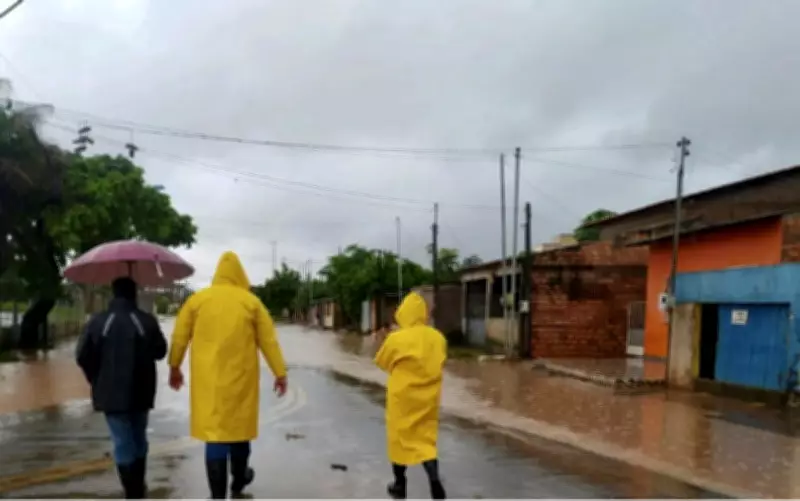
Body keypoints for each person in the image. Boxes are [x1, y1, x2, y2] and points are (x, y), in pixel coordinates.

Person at [168, 251, 288, 499]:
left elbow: (179, 336)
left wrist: (174, 366)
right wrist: (280, 373)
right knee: (239, 430)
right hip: (241, 380)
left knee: (216, 436)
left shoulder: (197, 301)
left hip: (208, 382)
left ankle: (217, 494)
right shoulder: (251, 302)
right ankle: (239, 479)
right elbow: (269, 341)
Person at [75, 276, 167, 499]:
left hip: (110, 394)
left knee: (122, 441)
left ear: (113, 294)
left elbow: (82, 355)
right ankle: (138, 486)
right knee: (138, 437)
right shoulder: (146, 321)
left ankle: (132, 491)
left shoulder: (98, 322)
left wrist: (95, 379)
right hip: (142, 392)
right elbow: (160, 351)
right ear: (134, 294)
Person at [374, 292, 447, 500]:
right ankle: (433, 479)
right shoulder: (438, 337)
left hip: (402, 399)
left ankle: (399, 485)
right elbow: (441, 362)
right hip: (428, 400)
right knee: (426, 442)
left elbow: (382, 363)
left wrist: (382, 340)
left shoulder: (396, 339)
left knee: (399, 441)